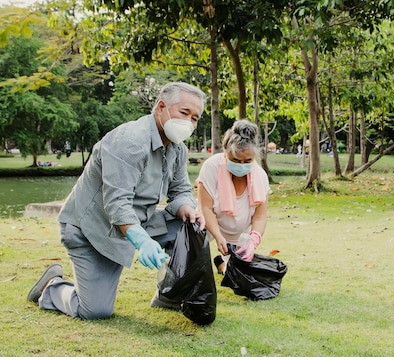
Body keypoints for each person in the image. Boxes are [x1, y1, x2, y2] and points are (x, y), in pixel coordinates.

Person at [26, 81, 206, 320]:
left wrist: (187, 209)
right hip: (93, 230)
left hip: (138, 222)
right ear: (161, 107)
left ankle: (169, 294)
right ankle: (52, 287)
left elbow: (181, 190)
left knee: (193, 228)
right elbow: (117, 204)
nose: (189, 123)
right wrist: (142, 241)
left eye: (195, 118)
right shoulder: (130, 142)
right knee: (94, 311)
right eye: (184, 113)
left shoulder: (177, 149)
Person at [197, 119, 270, 272]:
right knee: (192, 232)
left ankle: (221, 263)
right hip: (209, 225)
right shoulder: (212, 167)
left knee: (237, 273)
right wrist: (218, 236)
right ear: (226, 153)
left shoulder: (261, 176)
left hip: (239, 233)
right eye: (236, 160)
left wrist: (253, 240)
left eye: (247, 161)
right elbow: (205, 207)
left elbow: (260, 216)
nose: (242, 165)